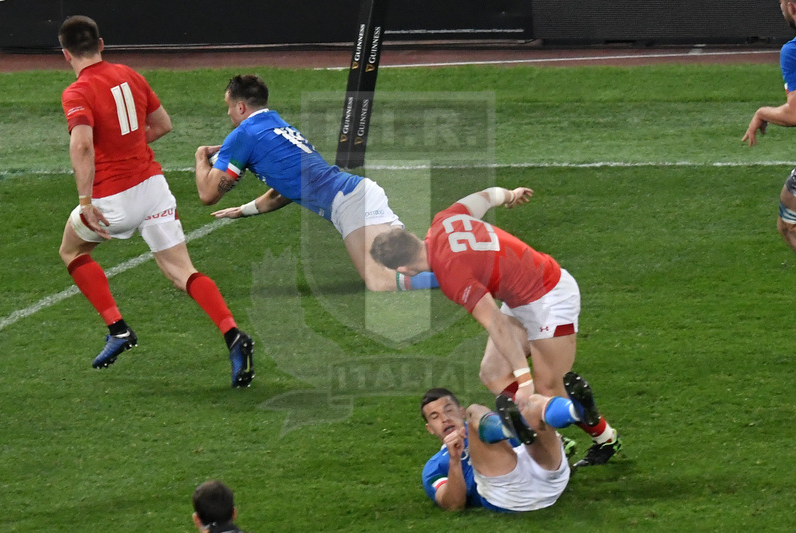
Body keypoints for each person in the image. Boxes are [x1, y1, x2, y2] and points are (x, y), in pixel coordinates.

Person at [57, 15, 254, 387]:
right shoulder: (130, 74)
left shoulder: (77, 92)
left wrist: (86, 201)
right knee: (182, 272)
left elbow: (82, 144)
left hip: (114, 197)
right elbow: (163, 125)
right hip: (154, 188)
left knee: (71, 251)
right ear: (101, 44)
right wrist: (128, 147)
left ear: (66, 54)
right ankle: (232, 334)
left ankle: (117, 329)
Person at [370, 186, 621, 469]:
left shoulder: (452, 275)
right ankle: (556, 439)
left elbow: (496, 323)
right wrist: (511, 195)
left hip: (550, 296)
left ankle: (605, 438)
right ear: (413, 238)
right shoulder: (444, 219)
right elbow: (488, 196)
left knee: (549, 389)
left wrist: (524, 380)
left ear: (403, 269)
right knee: (493, 374)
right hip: (521, 296)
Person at [193, 74, 439, 292]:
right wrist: (243, 210)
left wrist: (200, 155)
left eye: (229, 107)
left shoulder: (243, 134)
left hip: (348, 202)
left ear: (241, 106)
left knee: (381, 281)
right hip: (355, 193)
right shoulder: (277, 126)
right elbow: (284, 193)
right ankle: (461, 263)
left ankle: (457, 275)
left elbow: (208, 194)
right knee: (410, 262)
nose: (228, 114)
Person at [421, 371, 602, 512]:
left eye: (449, 410)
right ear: (430, 428)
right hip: (510, 495)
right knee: (475, 410)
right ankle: (571, 413)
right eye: (435, 416)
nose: (445, 418)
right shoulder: (434, 467)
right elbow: (453, 505)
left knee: (530, 403)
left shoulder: (484, 426)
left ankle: (578, 412)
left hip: (550, 476)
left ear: (459, 412)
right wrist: (454, 461)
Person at [743, 0, 796, 254]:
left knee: (789, 226)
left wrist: (762, 112)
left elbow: (795, 114)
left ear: (791, 7)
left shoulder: (794, 50)